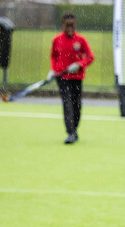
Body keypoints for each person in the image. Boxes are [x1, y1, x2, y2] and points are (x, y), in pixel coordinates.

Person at [49, 13, 94, 144]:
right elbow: (53, 56)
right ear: (63, 25)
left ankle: (74, 130)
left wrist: (79, 64)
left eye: (72, 25)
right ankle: (70, 133)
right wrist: (52, 69)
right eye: (67, 25)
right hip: (62, 77)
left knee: (77, 105)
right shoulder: (57, 40)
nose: (70, 28)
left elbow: (90, 57)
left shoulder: (81, 40)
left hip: (77, 77)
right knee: (67, 104)